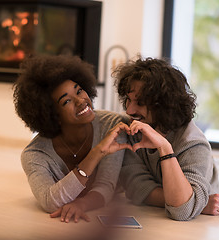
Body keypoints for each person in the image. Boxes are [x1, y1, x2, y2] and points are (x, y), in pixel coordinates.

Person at [13, 55, 132, 223]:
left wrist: (82, 204)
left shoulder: (112, 126)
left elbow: (106, 186)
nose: (81, 101)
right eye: (67, 101)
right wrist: (97, 152)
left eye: (79, 91)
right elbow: (49, 201)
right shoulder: (35, 154)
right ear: (52, 114)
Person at [114, 56, 219, 221]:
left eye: (140, 102)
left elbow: (181, 211)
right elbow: (136, 188)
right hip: (154, 220)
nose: (129, 110)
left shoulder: (193, 144)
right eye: (129, 101)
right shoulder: (132, 130)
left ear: (164, 104)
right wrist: (197, 203)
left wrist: (164, 147)